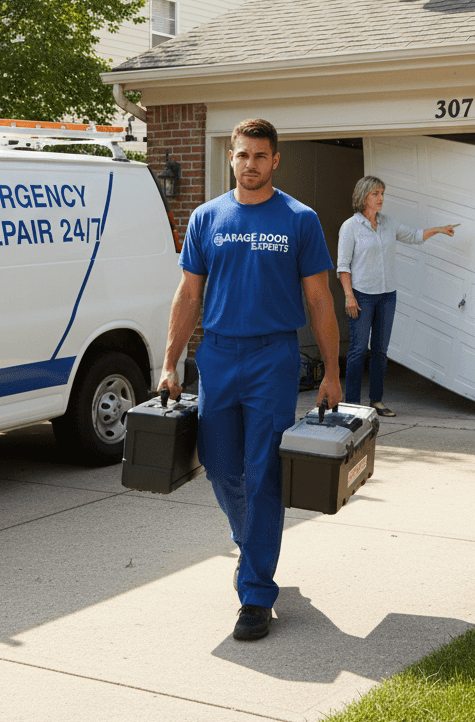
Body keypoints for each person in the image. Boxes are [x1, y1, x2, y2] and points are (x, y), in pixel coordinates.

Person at [158, 119, 342, 642]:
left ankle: (256, 592)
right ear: (231, 159)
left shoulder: (299, 220)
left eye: (261, 156)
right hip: (216, 355)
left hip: (272, 356)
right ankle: (252, 545)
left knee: (262, 473)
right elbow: (189, 295)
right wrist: (170, 362)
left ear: (275, 160)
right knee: (218, 466)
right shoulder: (207, 217)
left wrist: (332, 372)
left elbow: (319, 298)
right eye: (243, 155)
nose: (251, 164)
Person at [337, 176, 456, 417]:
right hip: (361, 296)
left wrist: (440, 230)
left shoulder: (389, 223)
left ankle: (376, 401)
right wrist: (349, 296)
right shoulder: (350, 227)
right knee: (359, 350)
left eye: (382, 193)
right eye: (376, 194)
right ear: (363, 197)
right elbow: (343, 266)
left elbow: (414, 235)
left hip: (387, 295)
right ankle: (351, 404)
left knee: (381, 350)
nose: (381, 198)